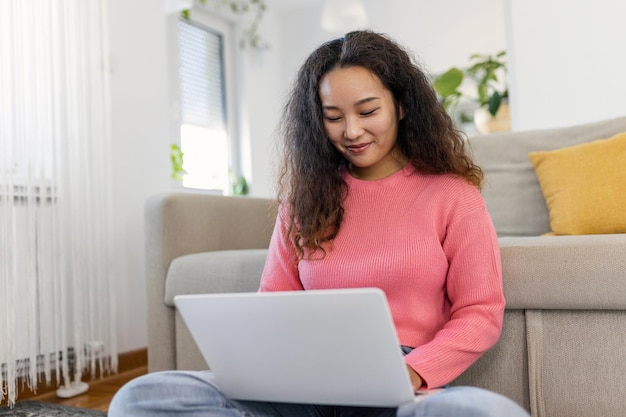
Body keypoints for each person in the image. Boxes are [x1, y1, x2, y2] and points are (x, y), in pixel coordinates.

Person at [109, 30, 530, 417]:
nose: (351, 131)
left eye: (368, 111)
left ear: (401, 105)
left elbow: (480, 313)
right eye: (333, 116)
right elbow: (273, 300)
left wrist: (411, 372)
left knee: (488, 413)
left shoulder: (452, 195)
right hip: (302, 383)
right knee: (139, 399)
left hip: (402, 386)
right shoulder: (304, 201)